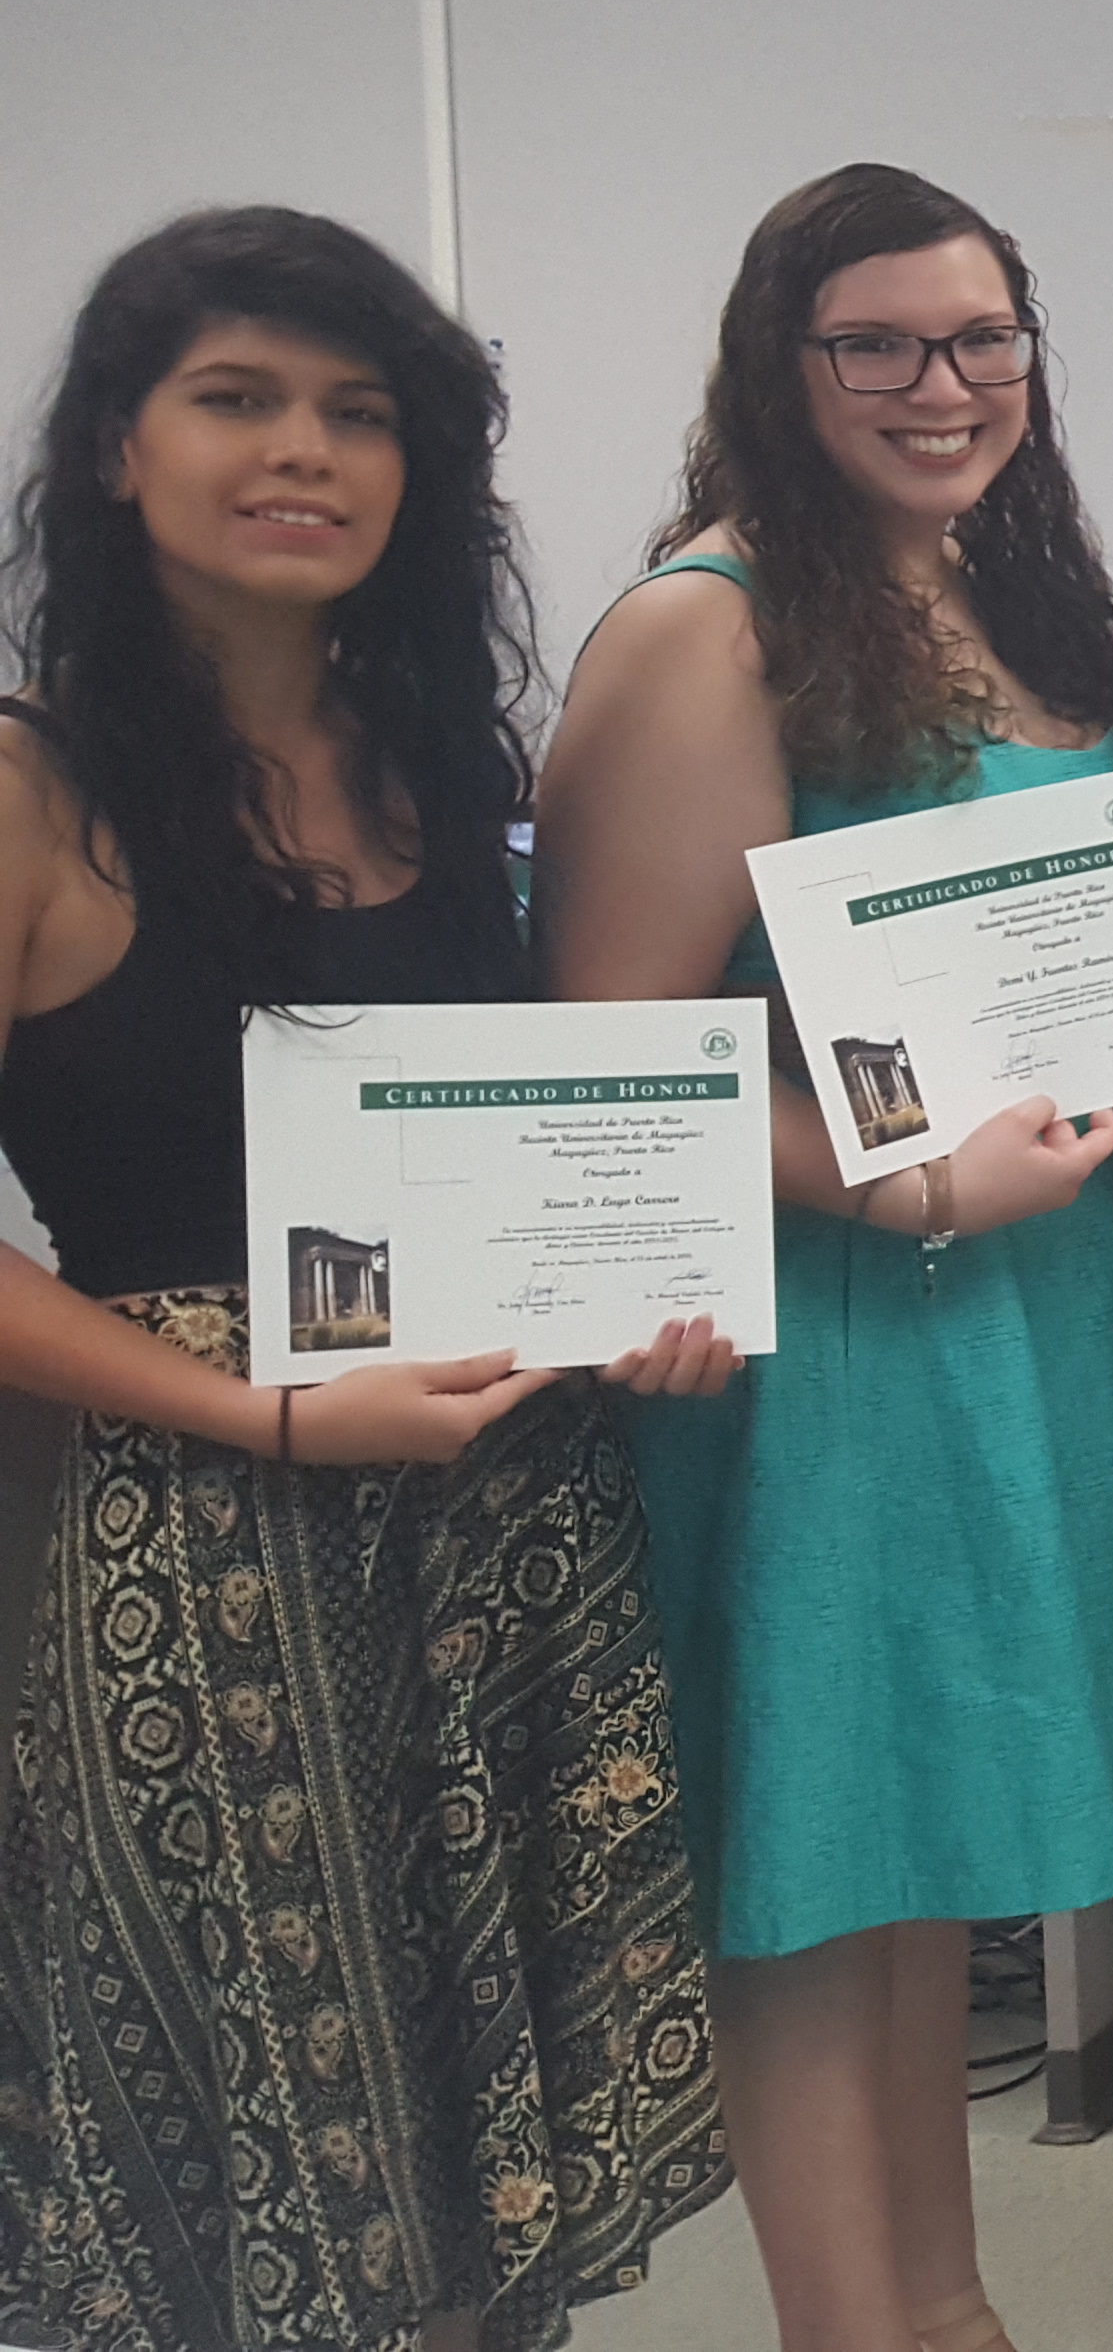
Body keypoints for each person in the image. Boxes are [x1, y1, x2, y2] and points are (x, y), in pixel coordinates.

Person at [0, 209, 739, 2352]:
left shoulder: (445, 771)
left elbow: (524, 1143)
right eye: (234, 399)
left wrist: (644, 1299)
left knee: (471, 2134)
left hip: (497, 1521)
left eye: (357, 411)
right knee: (243, 2153)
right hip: (205, 1546)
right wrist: (268, 1411)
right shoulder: (34, 786)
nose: (300, 450)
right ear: (117, 450)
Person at [542, 163, 1113, 2352]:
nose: (944, 385)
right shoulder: (706, 628)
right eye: (881, 345)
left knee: (930, 1869)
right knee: (829, 1874)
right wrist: (896, 1180)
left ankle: (950, 2316)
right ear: (780, 362)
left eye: (984, 339)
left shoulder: (1002, 604)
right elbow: (609, 1076)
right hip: (841, 1337)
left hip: (1036, 1312)